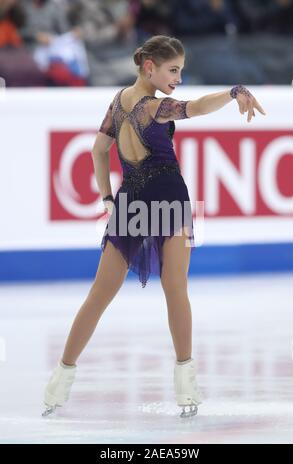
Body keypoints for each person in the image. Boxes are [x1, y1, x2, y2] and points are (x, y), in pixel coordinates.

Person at [42, 35, 266, 419]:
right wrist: (233, 92)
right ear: (150, 67)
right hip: (167, 200)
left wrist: (108, 198)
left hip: (129, 202)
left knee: (99, 295)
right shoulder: (155, 108)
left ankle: (57, 386)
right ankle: (186, 390)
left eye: (180, 70)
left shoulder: (117, 103)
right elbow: (195, 107)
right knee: (175, 290)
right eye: (173, 69)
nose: (178, 76)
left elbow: (98, 150)